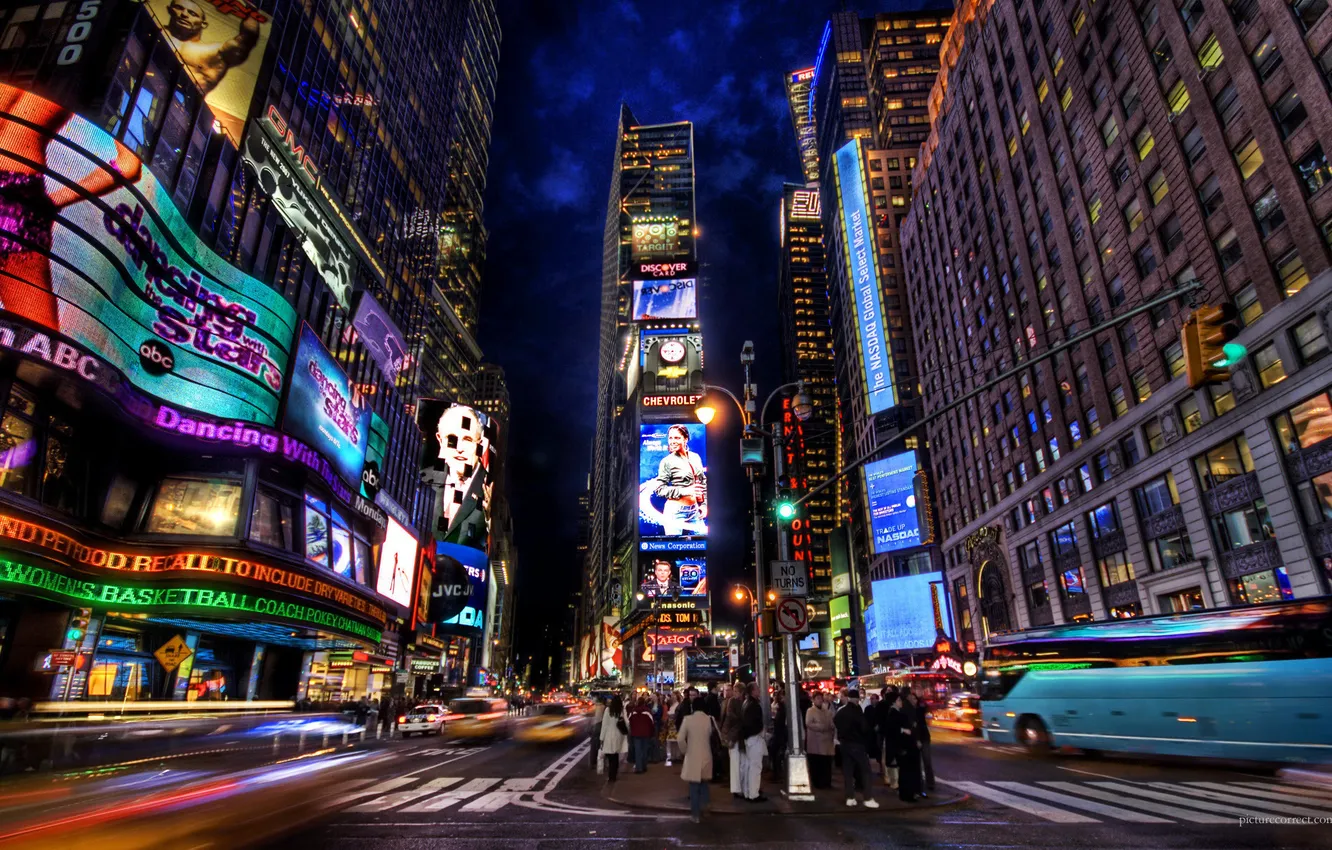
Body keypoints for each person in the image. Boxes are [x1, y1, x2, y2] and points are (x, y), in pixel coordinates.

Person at [0, 86, 142, 331]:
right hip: (16, 201)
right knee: (37, 342)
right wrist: (54, 201)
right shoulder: (109, 75)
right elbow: (129, 164)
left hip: (17, 195)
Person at [161, 0, 261, 97]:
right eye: (179, 8)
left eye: (192, 13)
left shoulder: (213, 53)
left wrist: (251, 12)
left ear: (203, 24)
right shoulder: (153, 25)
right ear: (169, 10)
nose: (184, 14)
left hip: (181, 104)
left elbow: (246, 40)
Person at [650, 425, 707, 536]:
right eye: (670, 438)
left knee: (703, 548)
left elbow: (703, 482)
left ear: (685, 439)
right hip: (675, 512)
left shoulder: (695, 457)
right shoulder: (667, 461)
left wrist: (704, 505)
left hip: (695, 510)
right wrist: (686, 491)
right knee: (674, 549)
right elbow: (660, 489)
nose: (672, 441)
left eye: (676, 438)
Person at [832, 689, 879, 808]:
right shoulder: (857, 711)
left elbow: (835, 721)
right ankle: (868, 798)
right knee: (865, 771)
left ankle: (850, 797)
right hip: (857, 744)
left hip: (844, 744)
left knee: (848, 772)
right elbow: (864, 727)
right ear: (857, 699)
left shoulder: (842, 712)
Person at [675, 695, 716, 823]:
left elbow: (680, 738)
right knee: (704, 783)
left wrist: (684, 750)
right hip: (706, 754)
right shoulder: (709, 720)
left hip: (692, 755)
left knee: (693, 786)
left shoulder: (688, 720)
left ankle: (696, 814)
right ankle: (706, 808)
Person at [890, 692, 922, 802]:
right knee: (906, 771)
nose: (901, 702)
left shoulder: (899, 712)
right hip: (903, 747)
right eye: (899, 700)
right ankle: (907, 794)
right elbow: (892, 729)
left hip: (904, 746)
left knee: (905, 771)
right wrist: (904, 730)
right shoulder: (894, 713)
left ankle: (907, 793)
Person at [739, 682, 767, 802]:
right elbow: (753, 723)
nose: (759, 690)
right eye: (757, 689)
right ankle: (753, 794)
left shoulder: (746, 703)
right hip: (754, 738)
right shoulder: (754, 705)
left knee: (749, 766)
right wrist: (760, 730)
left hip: (747, 739)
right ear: (752, 691)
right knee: (755, 767)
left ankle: (748, 791)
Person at [805, 691, 836, 789]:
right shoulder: (810, 711)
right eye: (817, 698)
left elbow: (832, 723)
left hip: (826, 741)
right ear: (813, 700)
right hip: (815, 742)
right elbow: (809, 723)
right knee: (816, 764)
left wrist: (831, 727)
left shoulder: (827, 711)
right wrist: (821, 727)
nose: (819, 700)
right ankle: (818, 783)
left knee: (826, 763)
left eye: (820, 698)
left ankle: (826, 782)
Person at [909, 690, 935, 793]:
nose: (914, 700)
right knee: (917, 763)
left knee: (927, 761)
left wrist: (920, 698)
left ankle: (930, 783)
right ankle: (919, 783)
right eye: (912, 699)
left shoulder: (920, 709)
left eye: (915, 699)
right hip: (915, 738)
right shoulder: (909, 711)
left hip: (924, 737)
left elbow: (926, 707)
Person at [721, 683, 745, 797]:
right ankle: (737, 788)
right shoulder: (733, 702)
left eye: (735, 691)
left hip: (736, 736)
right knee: (736, 763)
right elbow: (730, 717)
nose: (733, 693)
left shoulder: (735, 702)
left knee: (739, 763)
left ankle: (738, 787)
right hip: (734, 736)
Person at [599, 695, 629, 783]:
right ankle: (613, 776)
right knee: (615, 756)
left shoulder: (608, 710)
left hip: (609, 734)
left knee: (610, 756)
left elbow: (604, 725)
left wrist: (601, 738)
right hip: (619, 735)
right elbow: (626, 722)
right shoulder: (621, 710)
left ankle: (611, 776)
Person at [627, 698, 654, 774]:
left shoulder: (633, 712)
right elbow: (651, 723)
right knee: (645, 750)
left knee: (638, 751)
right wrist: (651, 733)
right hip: (646, 733)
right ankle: (644, 766)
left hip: (636, 734)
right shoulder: (648, 712)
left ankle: (639, 768)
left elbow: (630, 722)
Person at [770, 689, 788, 782]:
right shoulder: (781, 707)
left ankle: (778, 773)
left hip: (781, 734)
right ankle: (777, 773)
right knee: (777, 754)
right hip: (780, 734)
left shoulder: (783, 708)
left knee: (777, 755)